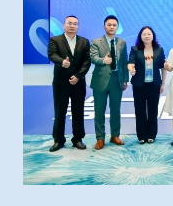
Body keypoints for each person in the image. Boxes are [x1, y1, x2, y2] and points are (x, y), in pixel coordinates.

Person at [47, 15, 91, 152]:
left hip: (78, 83)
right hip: (61, 82)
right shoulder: (55, 40)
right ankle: (58, 140)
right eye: (70, 23)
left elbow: (87, 61)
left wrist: (78, 76)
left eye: (75, 24)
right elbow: (52, 54)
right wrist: (62, 62)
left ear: (78, 26)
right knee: (60, 111)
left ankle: (78, 139)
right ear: (64, 25)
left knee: (78, 111)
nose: (72, 26)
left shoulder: (84, 41)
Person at [90, 15, 129, 150]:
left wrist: (125, 79)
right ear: (104, 26)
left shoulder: (122, 43)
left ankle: (115, 135)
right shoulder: (96, 41)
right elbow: (93, 57)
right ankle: (100, 138)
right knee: (99, 111)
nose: (112, 27)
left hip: (117, 80)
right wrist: (103, 60)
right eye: (109, 25)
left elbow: (124, 62)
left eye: (114, 25)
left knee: (115, 110)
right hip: (100, 81)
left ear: (117, 27)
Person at [128, 26, 166, 145]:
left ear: (153, 35)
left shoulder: (159, 50)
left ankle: (151, 135)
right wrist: (131, 69)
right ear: (140, 36)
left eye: (149, 34)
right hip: (139, 84)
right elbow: (130, 63)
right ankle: (141, 135)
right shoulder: (135, 49)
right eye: (144, 34)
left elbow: (163, 67)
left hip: (154, 84)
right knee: (139, 110)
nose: (147, 36)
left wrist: (163, 83)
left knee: (153, 110)